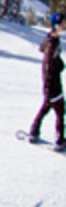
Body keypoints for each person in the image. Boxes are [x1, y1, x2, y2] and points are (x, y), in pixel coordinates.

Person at [29, 12, 65, 148]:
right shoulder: (52, 44)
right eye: (63, 23)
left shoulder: (51, 39)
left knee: (47, 106)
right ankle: (60, 139)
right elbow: (48, 64)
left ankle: (34, 130)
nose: (64, 25)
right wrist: (49, 83)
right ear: (57, 25)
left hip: (50, 84)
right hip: (53, 84)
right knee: (60, 110)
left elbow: (41, 48)